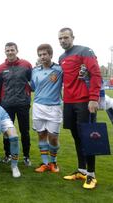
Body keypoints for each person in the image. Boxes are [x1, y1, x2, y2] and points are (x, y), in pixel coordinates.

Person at [58, 27, 102, 189]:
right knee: (76, 136)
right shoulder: (62, 57)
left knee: (88, 137)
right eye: (60, 38)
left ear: (72, 37)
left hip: (84, 101)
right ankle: (82, 170)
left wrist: (93, 98)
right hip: (69, 102)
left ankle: (91, 174)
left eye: (65, 37)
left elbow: (96, 74)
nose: (63, 41)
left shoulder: (85, 51)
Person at [0, 42, 33, 166]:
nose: (10, 52)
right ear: (5, 52)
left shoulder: (26, 65)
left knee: (25, 131)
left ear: (17, 50)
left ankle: (26, 156)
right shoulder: (0, 68)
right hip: (6, 105)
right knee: (7, 131)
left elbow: (31, 82)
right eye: (8, 50)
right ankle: (7, 155)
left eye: (12, 50)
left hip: (23, 103)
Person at [31, 44, 63, 173]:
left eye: (45, 54)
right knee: (41, 135)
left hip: (54, 108)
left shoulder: (59, 70)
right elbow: (33, 87)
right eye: (40, 55)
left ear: (51, 55)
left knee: (53, 137)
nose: (42, 57)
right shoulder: (35, 71)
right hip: (38, 106)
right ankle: (45, 163)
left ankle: (53, 162)